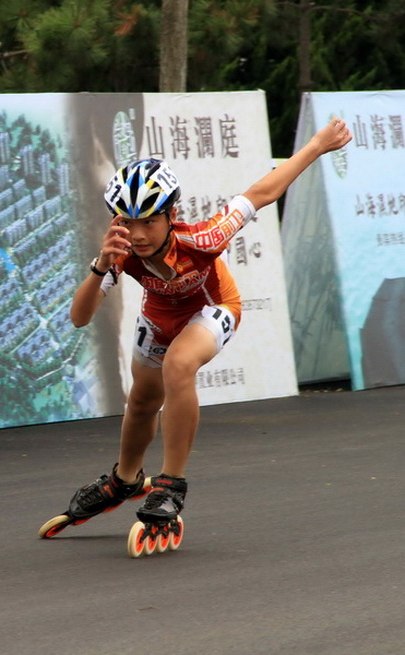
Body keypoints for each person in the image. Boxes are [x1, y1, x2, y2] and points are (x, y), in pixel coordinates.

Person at [45, 117, 352, 533]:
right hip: (160, 315)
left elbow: (263, 192)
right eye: (127, 222)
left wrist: (317, 144)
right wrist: (100, 265)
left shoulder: (203, 238)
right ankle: (125, 479)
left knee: (178, 365)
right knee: (140, 402)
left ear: (172, 214)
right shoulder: (118, 252)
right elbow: (79, 317)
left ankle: (171, 485)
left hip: (214, 306)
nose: (137, 234)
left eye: (149, 221)